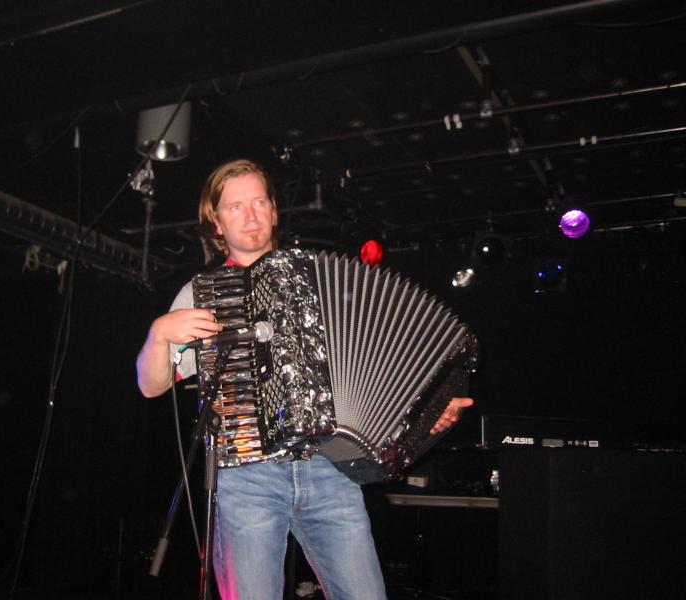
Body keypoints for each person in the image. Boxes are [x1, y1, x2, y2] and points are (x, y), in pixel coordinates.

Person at [136, 159, 473, 599]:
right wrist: (159, 334)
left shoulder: (327, 282)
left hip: (330, 469)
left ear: (274, 211)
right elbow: (151, 385)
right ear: (216, 222)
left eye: (259, 202)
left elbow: (385, 363)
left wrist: (430, 413)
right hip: (248, 477)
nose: (251, 215)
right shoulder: (203, 294)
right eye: (235, 207)